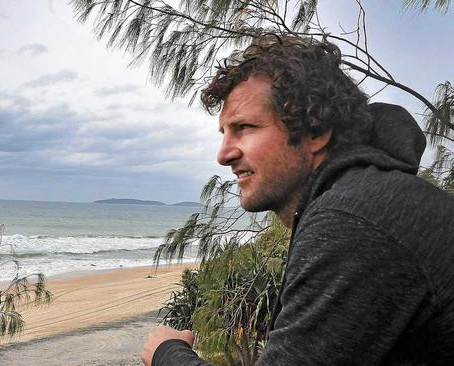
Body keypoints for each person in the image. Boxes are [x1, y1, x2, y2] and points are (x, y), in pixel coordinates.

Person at [141, 34, 454, 365]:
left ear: (315, 132)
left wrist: (167, 353)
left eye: (244, 127)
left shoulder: (354, 218)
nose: (224, 154)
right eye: (224, 133)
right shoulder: (366, 197)